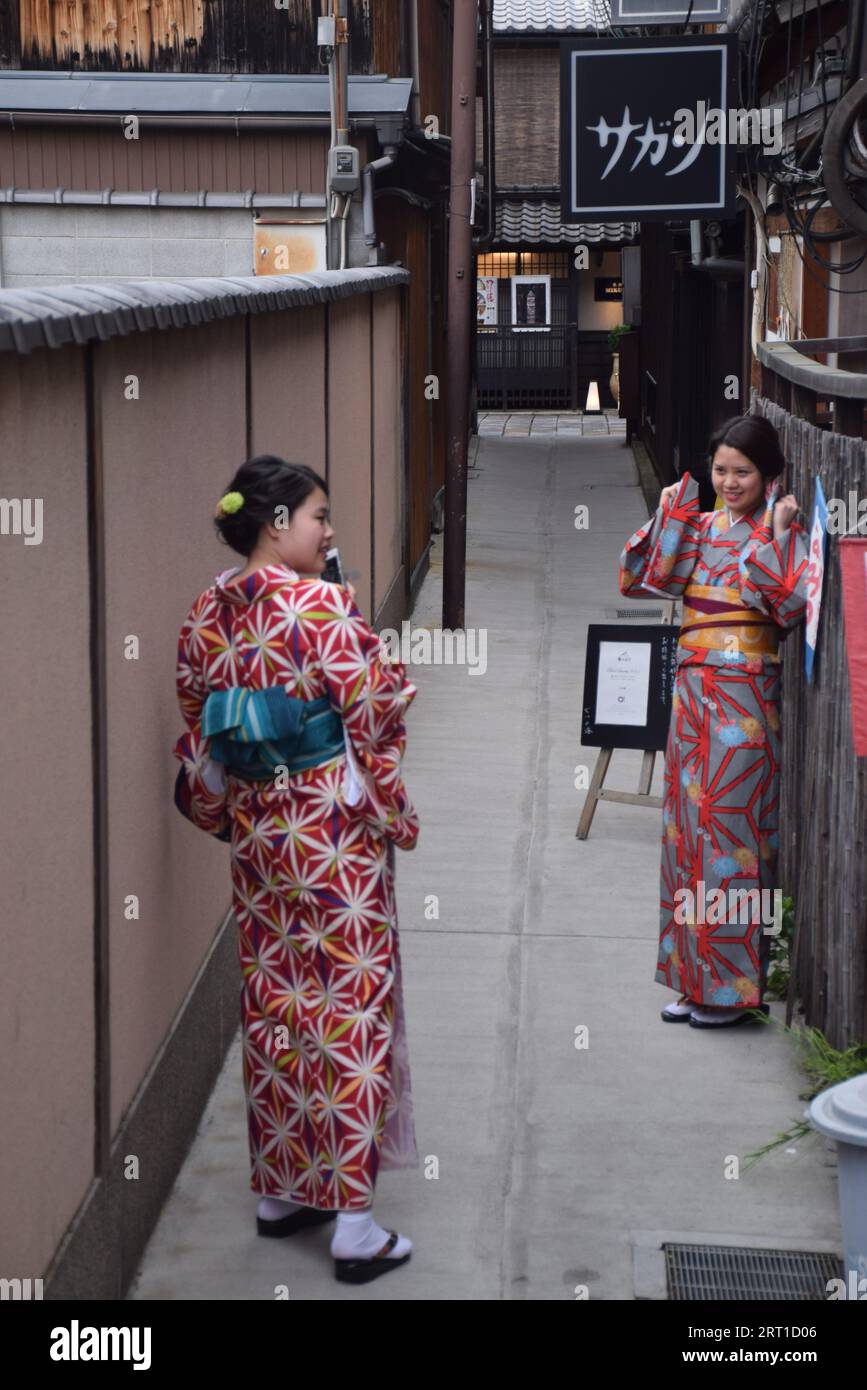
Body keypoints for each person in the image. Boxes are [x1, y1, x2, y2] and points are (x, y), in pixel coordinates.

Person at [173, 455, 420, 1284]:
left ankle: (282, 1192)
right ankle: (353, 1223)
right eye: (320, 515)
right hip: (327, 829)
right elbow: (375, 705)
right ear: (277, 523)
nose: (330, 530)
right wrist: (387, 786)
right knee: (351, 1002)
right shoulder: (319, 602)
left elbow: (196, 712)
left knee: (277, 1000)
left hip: (258, 832)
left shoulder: (209, 607)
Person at [618, 414, 808, 1028]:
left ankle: (731, 990)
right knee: (685, 832)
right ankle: (691, 978)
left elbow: (787, 607)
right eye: (721, 470)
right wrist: (673, 513)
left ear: (769, 474)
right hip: (695, 689)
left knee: (732, 837)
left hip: (747, 694)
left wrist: (778, 534)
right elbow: (641, 580)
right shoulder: (700, 526)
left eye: (743, 472)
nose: (729, 482)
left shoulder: (783, 526)